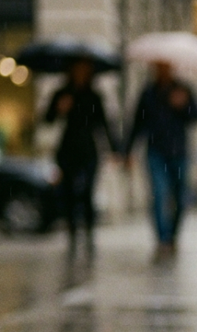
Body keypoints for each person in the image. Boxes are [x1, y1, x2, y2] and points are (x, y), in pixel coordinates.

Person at [123, 61, 197, 260]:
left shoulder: (183, 90)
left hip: (179, 152)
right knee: (158, 193)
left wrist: (184, 105)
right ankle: (163, 239)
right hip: (156, 151)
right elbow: (137, 123)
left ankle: (173, 235)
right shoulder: (148, 93)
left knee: (180, 198)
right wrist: (128, 151)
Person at [44, 58, 118, 255]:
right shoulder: (62, 93)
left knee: (87, 193)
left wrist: (115, 149)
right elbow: (47, 119)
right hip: (67, 149)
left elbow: (104, 124)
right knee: (68, 193)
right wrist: (59, 108)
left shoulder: (94, 96)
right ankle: (73, 236)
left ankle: (90, 235)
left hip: (89, 150)